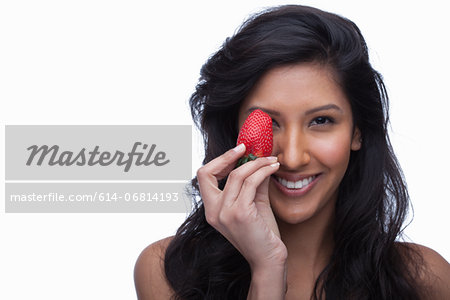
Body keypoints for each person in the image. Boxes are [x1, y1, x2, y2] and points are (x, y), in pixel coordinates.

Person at [134, 5, 450, 299]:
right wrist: (268, 270)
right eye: (269, 122)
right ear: (233, 131)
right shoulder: (167, 273)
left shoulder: (423, 279)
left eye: (321, 120)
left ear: (358, 131)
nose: (294, 157)